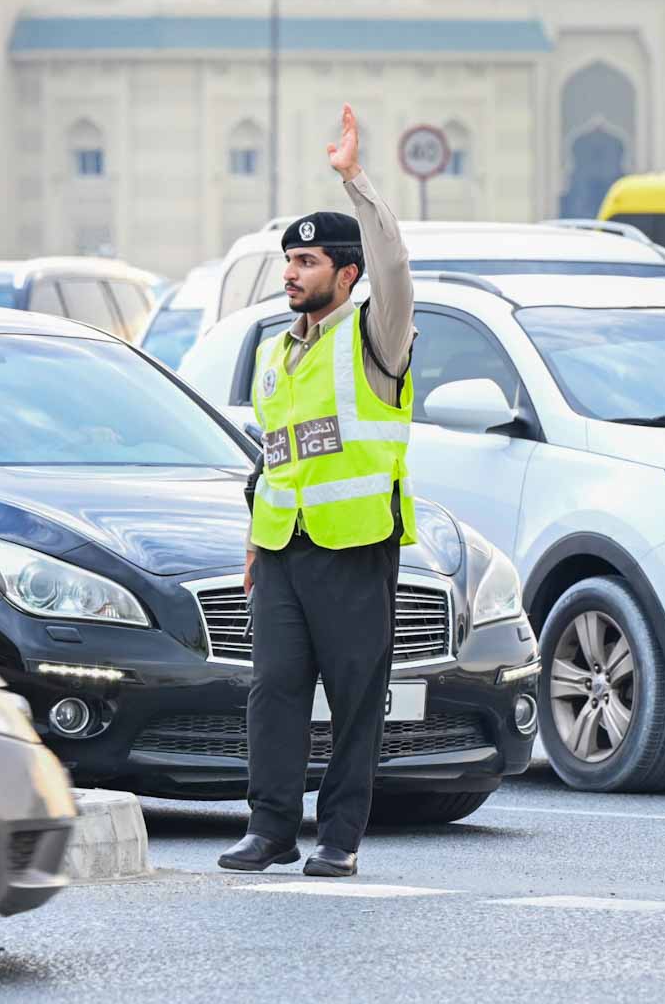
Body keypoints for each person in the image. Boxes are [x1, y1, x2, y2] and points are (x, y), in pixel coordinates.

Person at [217, 104, 417, 878]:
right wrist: (252, 544)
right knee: (273, 690)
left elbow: (395, 266)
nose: (291, 273)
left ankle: (340, 836)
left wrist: (356, 182)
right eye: (288, 261)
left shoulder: (376, 338)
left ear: (346, 273)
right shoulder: (275, 352)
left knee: (355, 697)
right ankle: (270, 828)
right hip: (281, 549)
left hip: (355, 547)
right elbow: (273, 458)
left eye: (307, 261)